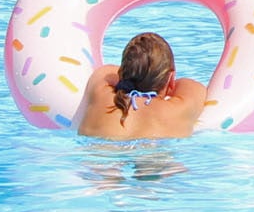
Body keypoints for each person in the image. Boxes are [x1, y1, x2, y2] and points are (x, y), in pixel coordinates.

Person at [76, 31, 205, 140]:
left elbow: (106, 71)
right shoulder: (178, 108)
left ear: (121, 73)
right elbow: (193, 86)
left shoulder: (101, 94)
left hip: (99, 156)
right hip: (155, 156)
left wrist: (130, 77)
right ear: (170, 80)